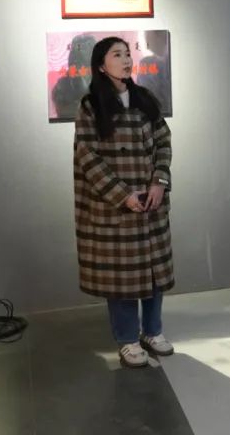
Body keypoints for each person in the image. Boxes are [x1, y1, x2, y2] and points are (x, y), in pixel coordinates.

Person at [73, 36, 175, 368]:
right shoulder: (91, 106)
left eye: (128, 53)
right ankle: (128, 340)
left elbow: (163, 142)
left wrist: (159, 181)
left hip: (150, 204)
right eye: (117, 55)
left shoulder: (145, 98)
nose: (126, 60)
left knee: (154, 274)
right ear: (102, 66)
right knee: (121, 280)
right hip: (113, 209)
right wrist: (123, 195)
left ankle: (153, 331)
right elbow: (88, 157)